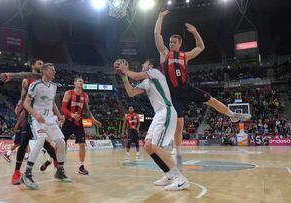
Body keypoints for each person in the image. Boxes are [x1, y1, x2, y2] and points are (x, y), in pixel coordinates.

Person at [154, 10, 251, 170]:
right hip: (172, 93)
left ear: (179, 44)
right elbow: (157, 34)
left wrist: (195, 32)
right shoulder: (164, 53)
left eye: (174, 42)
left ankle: (233, 115)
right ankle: (177, 153)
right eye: (170, 42)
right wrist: (160, 17)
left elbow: (201, 46)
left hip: (186, 88)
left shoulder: (185, 55)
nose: (171, 44)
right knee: (179, 125)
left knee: (211, 100)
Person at [115, 58, 189, 190]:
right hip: (158, 114)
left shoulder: (155, 72)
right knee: (148, 145)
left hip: (166, 111)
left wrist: (125, 70)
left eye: (144, 63)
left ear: (150, 65)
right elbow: (131, 93)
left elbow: (136, 75)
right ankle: (169, 174)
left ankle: (180, 179)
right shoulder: (146, 82)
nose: (142, 65)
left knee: (157, 146)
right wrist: (124, 77)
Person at [0, 59, 58, 185]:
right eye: (39, 63)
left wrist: (59, 115)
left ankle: (57, 163)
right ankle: (16, 173)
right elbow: (22, 96)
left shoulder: (45, 80)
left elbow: (52, 102)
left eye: (43, 64)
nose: (41, 66)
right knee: (24, 142)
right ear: (33, 66)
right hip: (30, 115)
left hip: (44, 117)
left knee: (46, 144)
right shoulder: (28, 80)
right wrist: (19, 104)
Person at [21, 63, 70, 189]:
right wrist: (36, 115)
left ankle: (60, 171)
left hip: (50, 119)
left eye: (54, 70)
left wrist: (59, 115)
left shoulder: (54, 86)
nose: (54, 72)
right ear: (44, 71)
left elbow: (52, 102)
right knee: (41, 140)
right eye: (52, 70)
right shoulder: (35, 85)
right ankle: (27, 174)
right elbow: (26, 103)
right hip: (37, 119)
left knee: (61, 142)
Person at [51, 77, 102, 175]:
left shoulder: (85, 96)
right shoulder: (68, 93)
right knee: (60, 143)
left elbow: (87, 110)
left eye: (82, 82)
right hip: (68, 122)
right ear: (74, 83)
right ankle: (52, 159)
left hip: (78, 123)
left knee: (82, 144)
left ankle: (81, 166)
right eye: (79, 81)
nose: (81, 83)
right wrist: (72, 114)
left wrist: (93, 119)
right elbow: (63, 108)